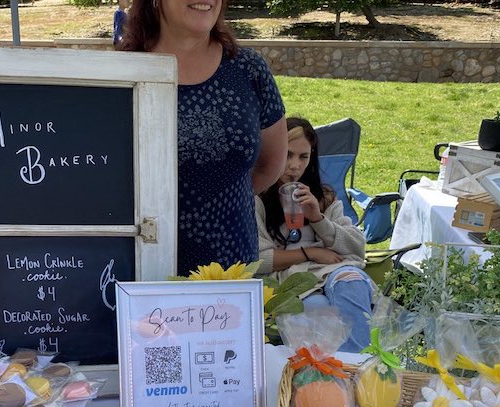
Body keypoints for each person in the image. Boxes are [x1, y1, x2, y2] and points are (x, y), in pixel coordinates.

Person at [120, 0, 286, 276]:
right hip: (143, 271)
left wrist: (220, 199)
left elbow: (271, 164)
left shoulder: (248, 70)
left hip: (231, 272)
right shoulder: (120, 75)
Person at [256, 117, 373, 352]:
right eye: (287, 154)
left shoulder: (324, 197)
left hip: (333, 271)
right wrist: (311, 252)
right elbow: (257, 261)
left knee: (353, 283)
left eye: (303, 157)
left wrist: (318, 218)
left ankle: (360, 365)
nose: (294, 166)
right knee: (317, 307)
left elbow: (356, 248)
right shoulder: (256, 198)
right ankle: (329, 376)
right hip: (292, 280)